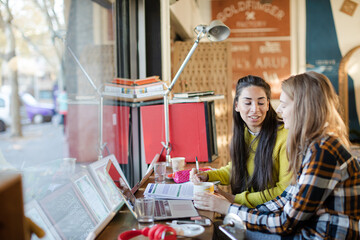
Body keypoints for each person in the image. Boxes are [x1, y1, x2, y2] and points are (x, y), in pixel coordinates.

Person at [194, 71, 360, 239]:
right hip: (305, 230)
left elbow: (284, 223)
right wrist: (229, 204)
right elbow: (285, 198)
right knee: (223, 227)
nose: (279, 110)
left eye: (284, 104)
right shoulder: (315, 146)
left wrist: (228, 208)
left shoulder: (323, 153)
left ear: (303, 108)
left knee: (220, 231)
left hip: (316, 236)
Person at [191, 75, 292, 210]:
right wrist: (207, 176)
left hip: (270, 213)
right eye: (248, 103)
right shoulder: (244, 131)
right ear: (237, 105)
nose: (255, 109)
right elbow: (237, 169)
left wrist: (232, 199)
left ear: (268, 104)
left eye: (261, 103)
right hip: (245, 211)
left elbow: (283, 192)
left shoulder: (285, 136)